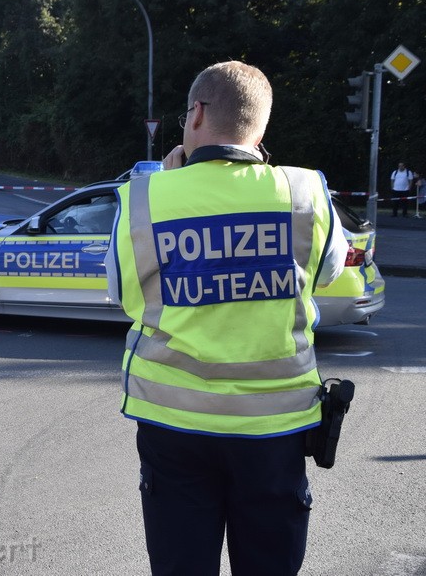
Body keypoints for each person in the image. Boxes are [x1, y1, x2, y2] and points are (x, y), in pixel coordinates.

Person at [106, 61, 349, 576]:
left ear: (195, 113)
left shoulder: (146, 196)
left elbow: (121, 292)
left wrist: (172, 183)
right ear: (260, 130)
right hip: (276, 430)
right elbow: (326, 272)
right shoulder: (304, 192)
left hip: (175, 428)